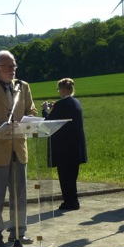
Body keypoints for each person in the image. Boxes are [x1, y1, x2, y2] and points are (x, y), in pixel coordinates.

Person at [0, 50, 38, 247]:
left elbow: (32, 111)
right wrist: (2, 128)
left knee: (19, 195)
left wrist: (26, 122)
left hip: (19, 149)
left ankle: (18, 233)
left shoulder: (23, 87)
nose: (13, 69)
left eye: (14, 66)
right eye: (9, 66)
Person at [42, 78, 87, 210]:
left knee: (65, 177)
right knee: (72, 176)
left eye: (59, 89)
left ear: (62, 90)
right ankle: (74, 200)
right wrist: (54, 108)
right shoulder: (76, 102)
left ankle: (69, 201)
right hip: (75, 147)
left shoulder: (61, 104)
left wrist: (45, 110)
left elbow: (49, 122)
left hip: (63, 148)